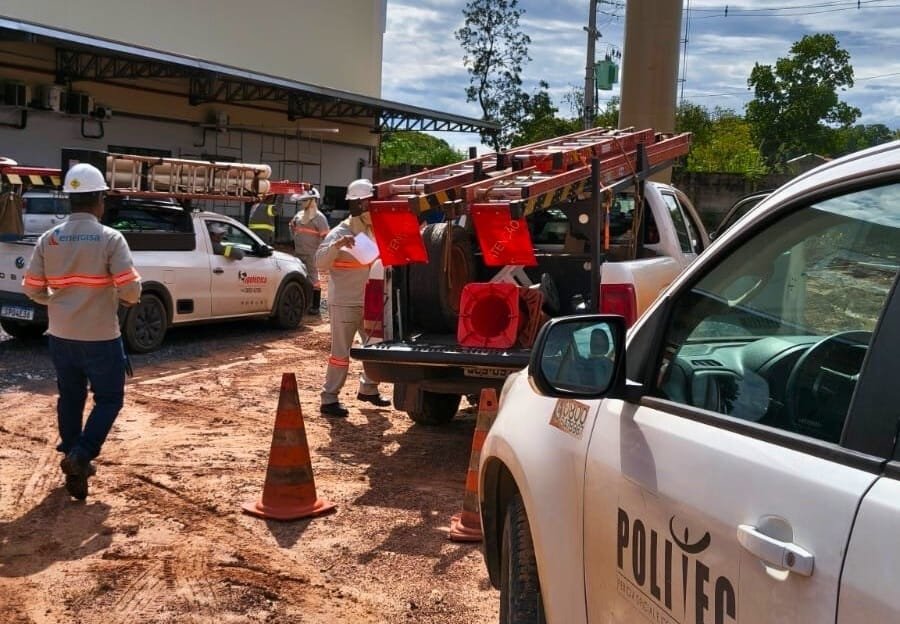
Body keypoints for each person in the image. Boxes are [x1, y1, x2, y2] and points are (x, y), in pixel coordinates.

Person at [22, 163, 142, 500]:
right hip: (101, 337)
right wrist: (128, 297)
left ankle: (73, 457)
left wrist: (55, 302)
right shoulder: (110, 238)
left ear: (70, 200)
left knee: (70, 397)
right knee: (109, 399)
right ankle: (81, 454)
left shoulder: (50, 239)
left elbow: (31, 288)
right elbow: (131, 291)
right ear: (100, 200)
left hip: (61, 336)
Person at [316, 178, 390, 417]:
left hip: (369, 301)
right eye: (369, 205)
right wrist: (337, 246)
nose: (372, 210)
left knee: (375, 348)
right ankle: (329, 399)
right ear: (358, 206)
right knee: (340, 354)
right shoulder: (340, 233)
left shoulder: (372, 231)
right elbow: (320, 262)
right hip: (345, 302)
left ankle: (368, 389)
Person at [289, 187, 329, 314]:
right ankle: (303, 303)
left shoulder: (319, 217)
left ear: (312, 201)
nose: (303, 203)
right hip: (299, 252)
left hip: (312, 254)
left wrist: (321, 252)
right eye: (302, 200)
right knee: (301, 277)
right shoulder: (299, 215)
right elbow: (292, 228)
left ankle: (316, 306)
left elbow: (326, 237)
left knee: (314, 279)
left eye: (305, 200)